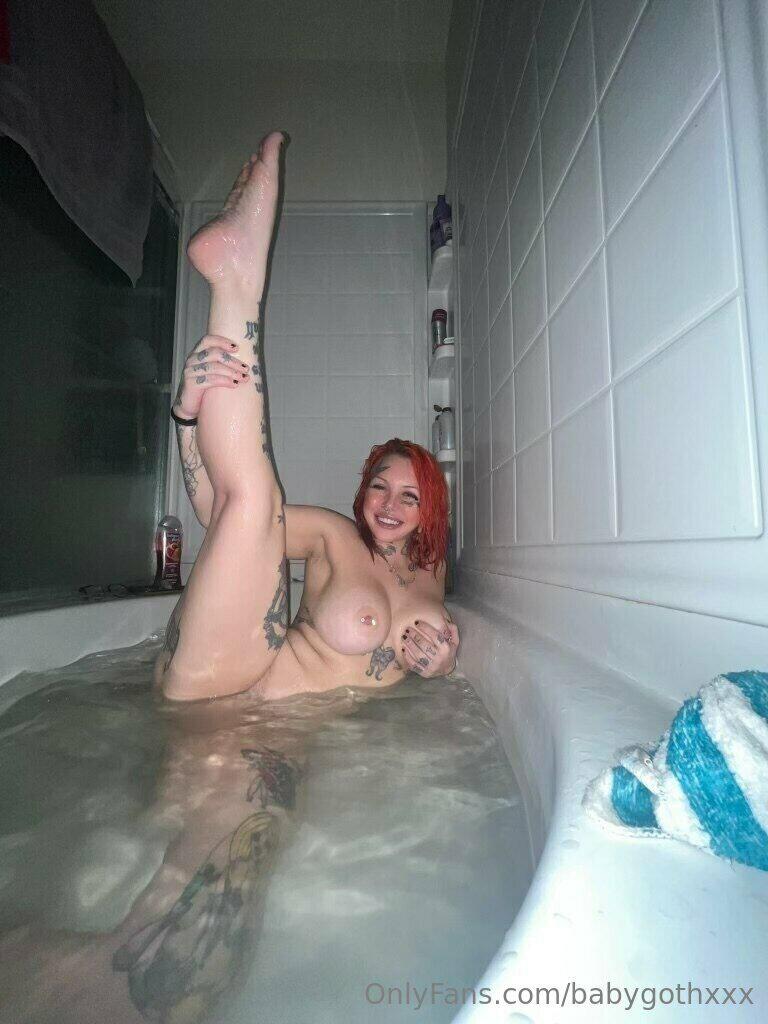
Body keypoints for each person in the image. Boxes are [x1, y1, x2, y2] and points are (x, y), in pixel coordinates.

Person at [157, 130, 460, 703]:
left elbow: (431, 653)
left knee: (258, 499)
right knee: (256, 501)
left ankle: (237, 279)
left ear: (431, 511)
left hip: (290, 739)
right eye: (380, 486)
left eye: (410, 496)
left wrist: (441, 663)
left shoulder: (435, 570)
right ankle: (236, 286)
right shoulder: (334, 537)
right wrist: (186, 418)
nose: (389, 504)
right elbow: (215, 511)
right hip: (228, 692)